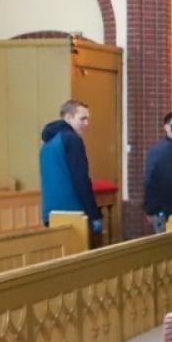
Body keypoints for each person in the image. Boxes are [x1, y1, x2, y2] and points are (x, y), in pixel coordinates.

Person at [39, 99, 103, 242]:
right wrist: (94, 215)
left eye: (88, 119)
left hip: (50, 213)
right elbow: (80, 179)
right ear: (68, 118)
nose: (87, 124)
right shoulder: (71, 139)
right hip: (73, 212)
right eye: (83, 119)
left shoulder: (47, 143)